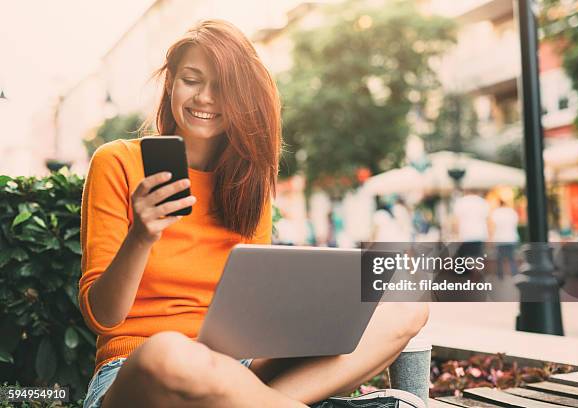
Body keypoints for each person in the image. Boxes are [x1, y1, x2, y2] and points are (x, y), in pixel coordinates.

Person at [79, 20, 428, 408]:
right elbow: (103, 317)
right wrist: (141, 236)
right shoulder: (117, 162)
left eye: (223, 87)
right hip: (138, 371)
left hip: (235, 368)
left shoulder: (249, 181)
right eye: (192, 79)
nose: (206, 98)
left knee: (404, 307)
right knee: (170, 352)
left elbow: (253, 316)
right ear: (171, 84)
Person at [490, 199, 519, 278]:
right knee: (511, 258)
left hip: (500, 238)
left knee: (499, 259)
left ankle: (500, 275)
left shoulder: (496, 213)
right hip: (511, 238)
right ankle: (514, 274)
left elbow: (493, 226)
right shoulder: (512, 212)